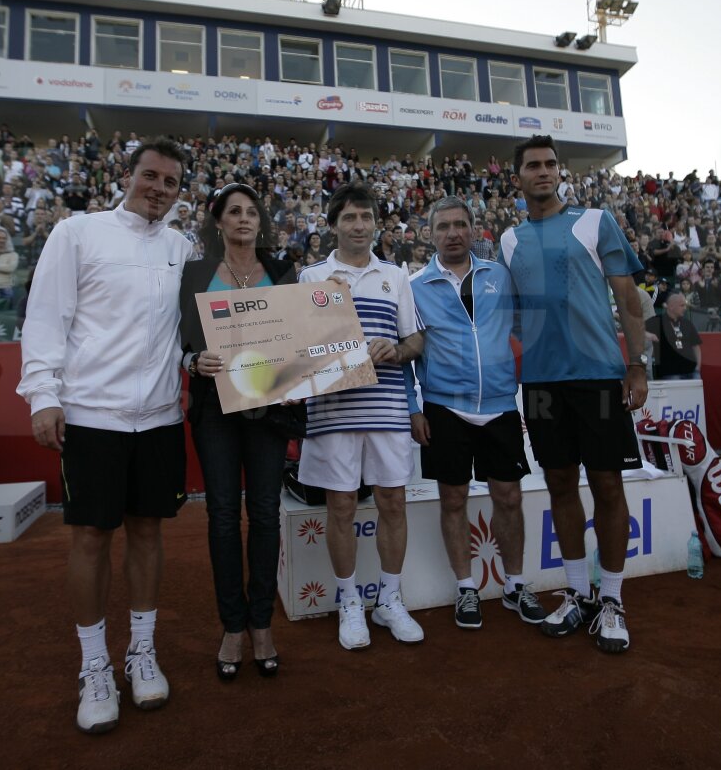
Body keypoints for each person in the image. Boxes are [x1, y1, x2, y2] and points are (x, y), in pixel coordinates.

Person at [18, 139, 193, 735]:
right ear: (127, 176)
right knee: (91, 537)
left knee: (147, 532)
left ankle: (141, 651)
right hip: (92, 416)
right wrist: (43, 395)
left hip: (161, 418)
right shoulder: (76, 233)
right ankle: (94, 665)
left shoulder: (181, 248)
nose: (158, 189)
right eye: (150, 176)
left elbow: (192, 331)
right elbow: (46, 318)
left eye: (170, 182)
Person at [499, 135, 647, 654]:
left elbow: (629, 298)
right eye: (533, 165)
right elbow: (513, 313)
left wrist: (637, 365)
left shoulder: (596, 222)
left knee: (607, 484)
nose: (543, 171)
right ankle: (579, 593)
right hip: (541, 383)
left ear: (559, 171)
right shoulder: (509, 240)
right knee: (560, 483)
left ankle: (613, 600)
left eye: (550, 164)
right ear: (517, 177)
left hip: (599, 376)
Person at [298, 183, 425, 651]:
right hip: (332, 411)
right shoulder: (312, 277)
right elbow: (299, 351)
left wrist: (396, 349)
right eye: (349, 217)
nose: (359, 225)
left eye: (366, 217)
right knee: (341, 507)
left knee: (393, 503)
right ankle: (349, 601)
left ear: (376, 223)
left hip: (387, 409)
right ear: (333, 224)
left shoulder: (395, 276)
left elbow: (415, 340)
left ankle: (389, 599)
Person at [178, 183, 296, 680]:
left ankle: (261, 624)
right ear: (219, 221)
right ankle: (232, 626)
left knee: (265, 513)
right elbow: (178, 341)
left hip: (270, 408)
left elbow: (298, 340)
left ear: (259, 221)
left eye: (251, 211)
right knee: (224, 516)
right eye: (234, 211)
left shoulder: (283, 271)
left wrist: (298, 380)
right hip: (215, 409)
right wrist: (192, 361)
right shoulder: (195, 274)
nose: (244, 218)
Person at [408, 196, 543, 630]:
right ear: (430, 234)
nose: (453, 233)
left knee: (509, 497)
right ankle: (466, 587)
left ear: (473, 229)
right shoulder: (414, 286)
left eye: (460, 224)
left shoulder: (499, 276)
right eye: (443, 226)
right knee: (453, 499)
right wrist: (413, 407)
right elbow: (407, 353)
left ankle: (515, 583)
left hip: (500, 404)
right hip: (444, 406)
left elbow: (527, 327)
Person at [645, 293, 702, 379]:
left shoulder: (687, 323)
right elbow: (637, 329)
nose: (685, 308)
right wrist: (648, 335)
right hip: (669, 373)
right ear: (671, 306)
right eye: (682, 305)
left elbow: (696, 347)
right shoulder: (657, 321)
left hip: (691, 371)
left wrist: (697, 367)